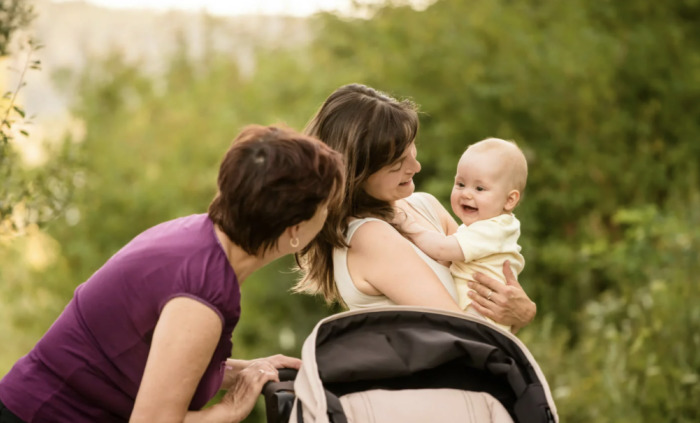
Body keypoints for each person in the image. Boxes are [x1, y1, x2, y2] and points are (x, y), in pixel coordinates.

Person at [0, 125, 345, 423]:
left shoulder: (199, 236)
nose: (329, 212)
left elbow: (160, 362)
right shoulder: (201, 294)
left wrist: (244, 371)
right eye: (326, 205)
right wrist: (229, 409)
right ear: (295, 230)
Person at [294, 83, 536, 334]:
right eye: (398, 163)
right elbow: (464, 334)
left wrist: (523, 311)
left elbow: (490, 289)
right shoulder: (369, 236)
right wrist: (522, 314)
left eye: (411, 147)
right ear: (358, 174)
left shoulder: (425, 205)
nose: (416, 166)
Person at [396, 138, 528, 332]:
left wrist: (410, 227)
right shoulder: (485, 227)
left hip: (480, 317)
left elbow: (442, 249)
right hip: (478, 317)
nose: (466, 194)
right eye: (460, 184)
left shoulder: (494, 229)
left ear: (509, 200)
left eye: (479, 188)